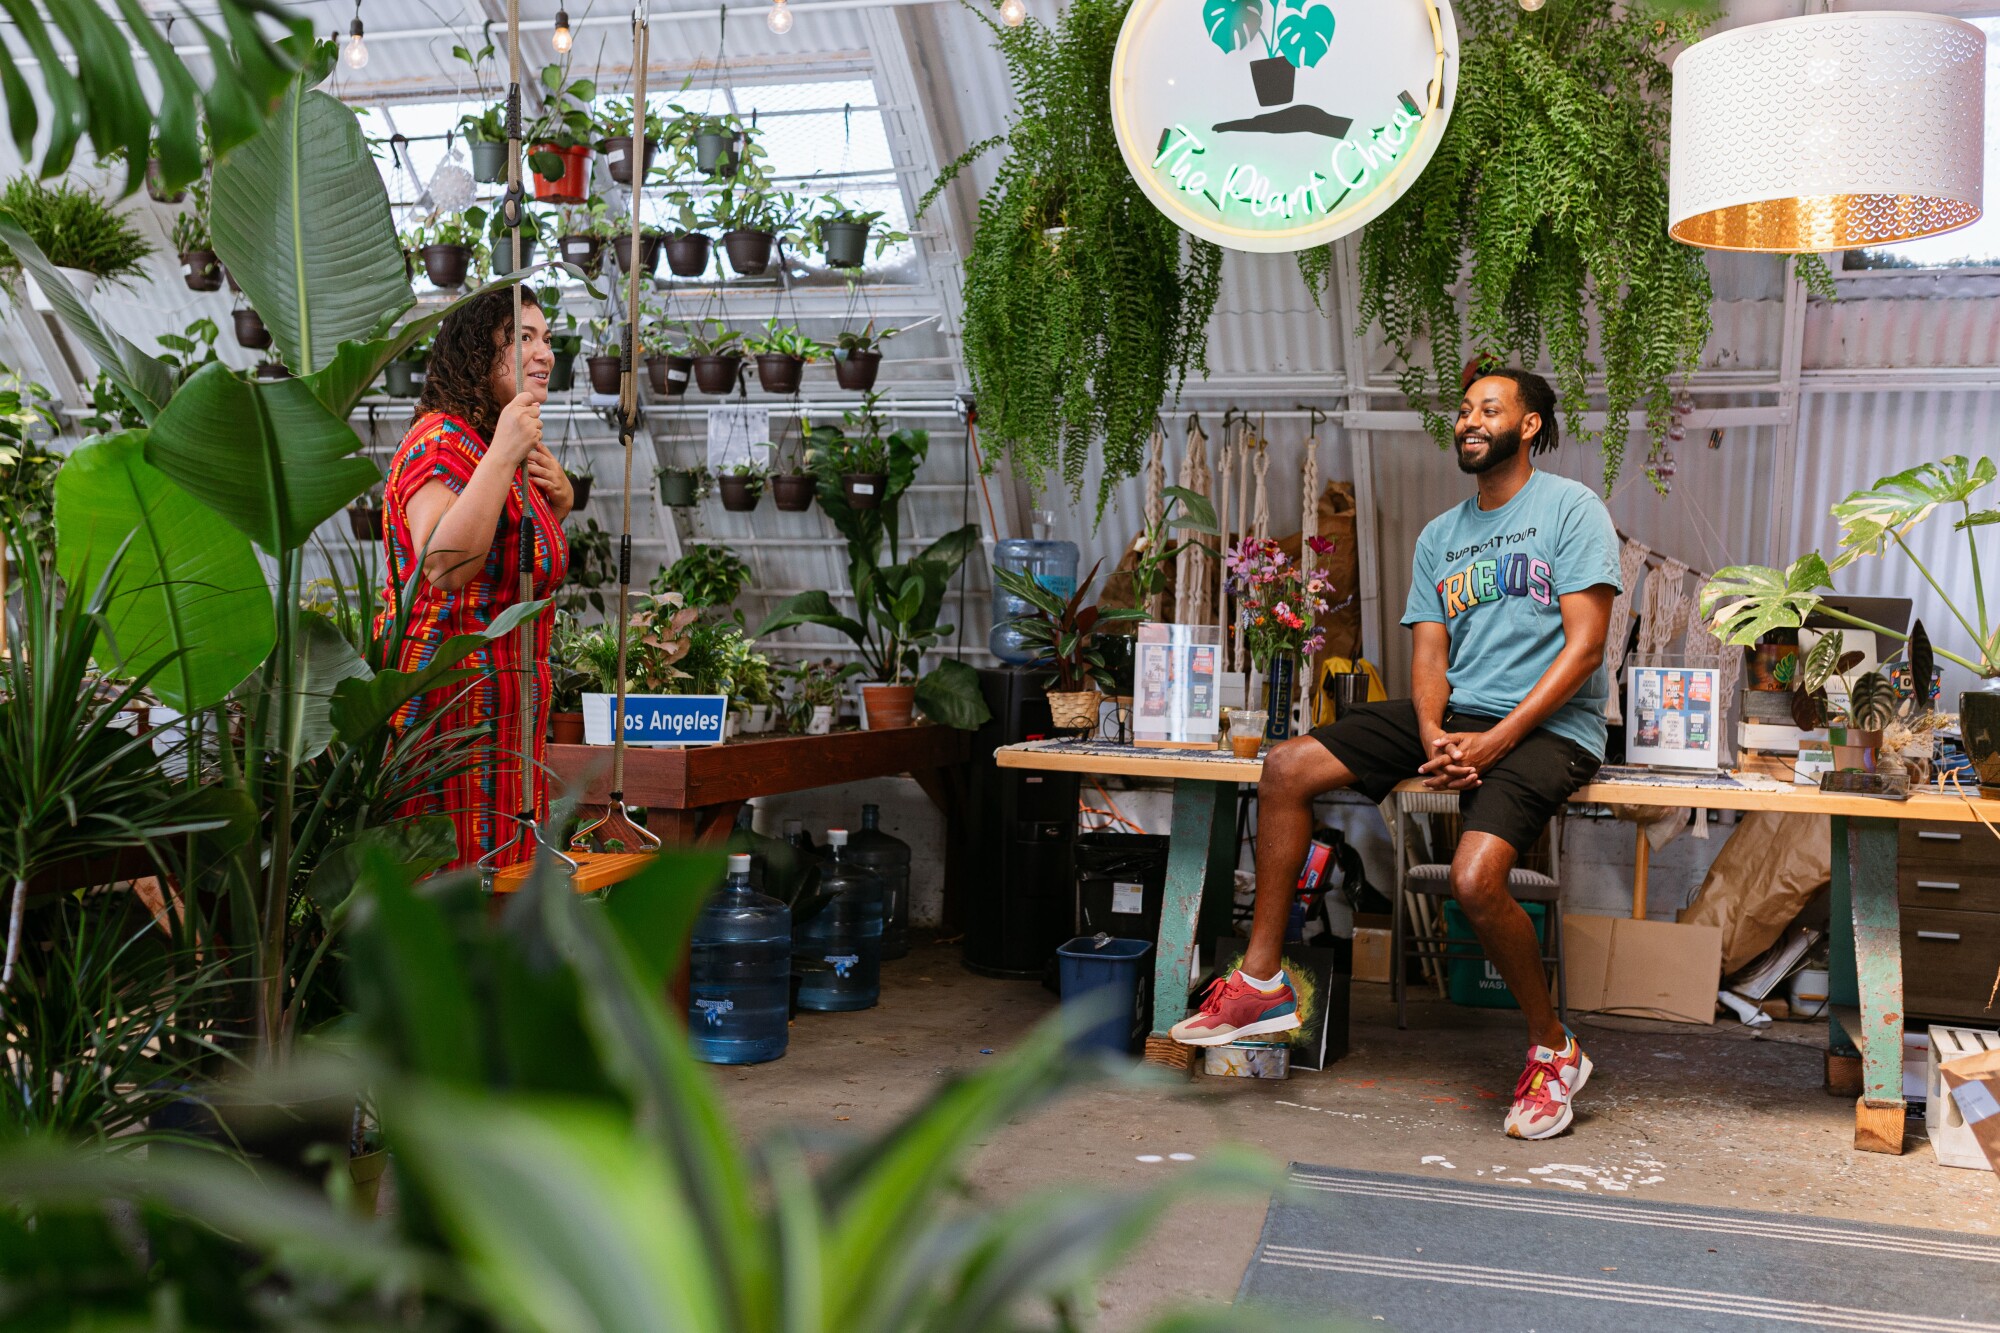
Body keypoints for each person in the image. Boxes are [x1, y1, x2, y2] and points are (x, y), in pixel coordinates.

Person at [1171, 368, 1621, 1141]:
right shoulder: (1440, 536)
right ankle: (1262, 980)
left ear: (1532, 426)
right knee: (1285, 770)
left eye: (1491, 408)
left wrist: (1496, 739)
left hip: (1550, 728)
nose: (1469, 420)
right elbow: (1428, 655)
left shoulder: (1571, 510)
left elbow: (1585, 649)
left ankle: (1555, 1048)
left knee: (1477, 880)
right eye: (1464, 409)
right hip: (1455, 714)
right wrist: (1435, 730)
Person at [380, 288, 572, 869]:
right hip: (451, 716)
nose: (545, 353)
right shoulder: (440, 441)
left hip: (506, 720)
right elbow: (445, 565)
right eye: (524, 338)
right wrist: (502, 456)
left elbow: (510, 566)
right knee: (454, 893)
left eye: (547, 338)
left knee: (503, 899)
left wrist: (558, 504)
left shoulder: (495, 447)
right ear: (475, 353)